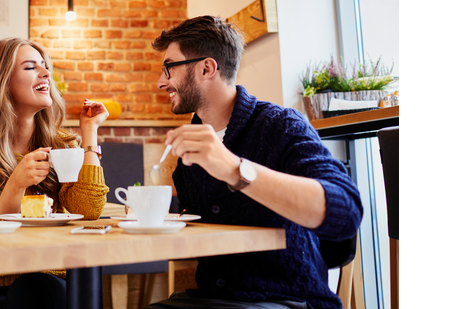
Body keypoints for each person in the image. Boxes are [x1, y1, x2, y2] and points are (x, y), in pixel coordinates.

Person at [146, 16, 363, 309]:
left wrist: (236, 170)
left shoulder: (281, 126)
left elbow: (346, 212)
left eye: (169, 68)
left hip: (288, 300)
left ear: (207, 68)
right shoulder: (190, 149)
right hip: (214, 300)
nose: (161, 82)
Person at [0, 37, 110, 309]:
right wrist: (16, 184)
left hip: (50, 278)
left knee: (39, 285)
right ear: (2, 82)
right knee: (36, 289)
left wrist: (89, 133)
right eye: (30, 67)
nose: (46, 73)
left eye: (45, 67)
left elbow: (88, 210)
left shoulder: (64, 145)